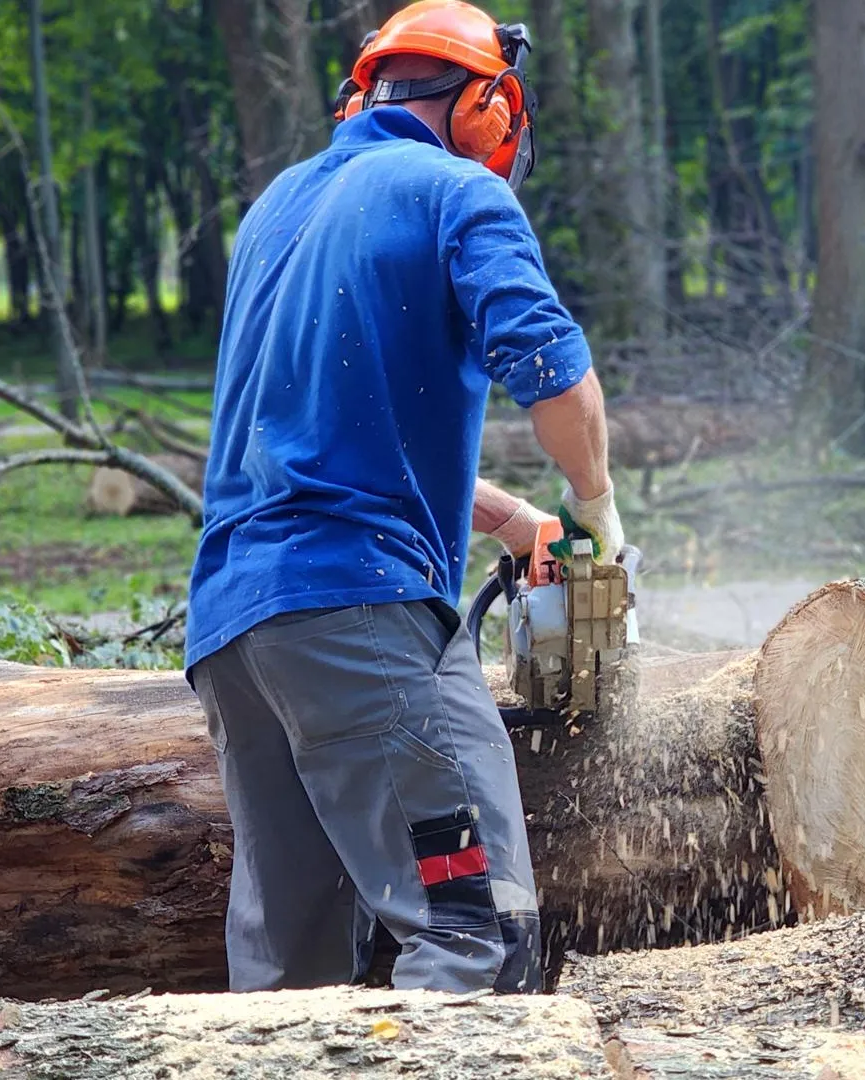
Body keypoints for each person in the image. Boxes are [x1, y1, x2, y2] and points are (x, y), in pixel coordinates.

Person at [183, 0, 622, 997]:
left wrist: (511, 519)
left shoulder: (281, 208)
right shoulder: (456, 192)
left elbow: (322, 422)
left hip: (237, 637)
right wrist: (596, 509)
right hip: (360, 620)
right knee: (475, 934)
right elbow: (558, 383)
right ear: (489, 109)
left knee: (292, 985)